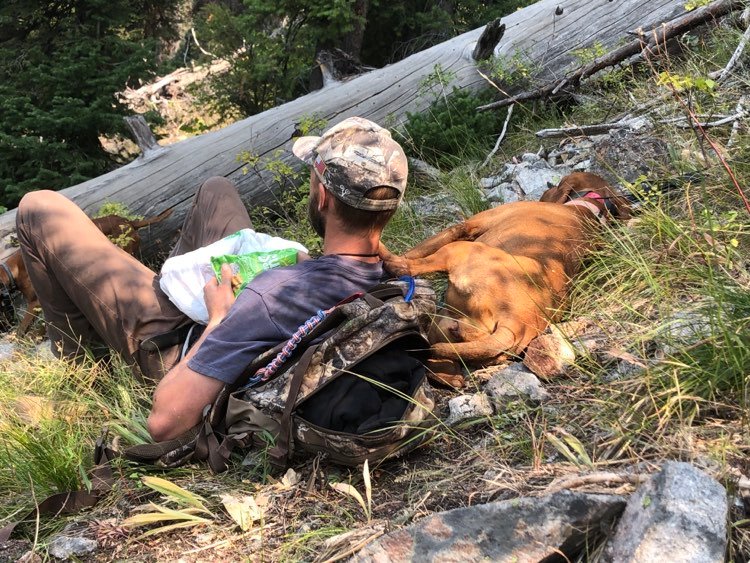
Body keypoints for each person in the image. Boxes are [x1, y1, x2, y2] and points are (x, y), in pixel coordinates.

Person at [16, 116, 408, 441]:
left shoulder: (270, 296)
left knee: (39, 208)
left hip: (177, 345)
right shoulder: (387, 278)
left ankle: (82, 366)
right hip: (257, 312)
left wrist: (218, 317)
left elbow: (164, 424)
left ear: (323, 198)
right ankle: (162, 285)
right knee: (215, 191)